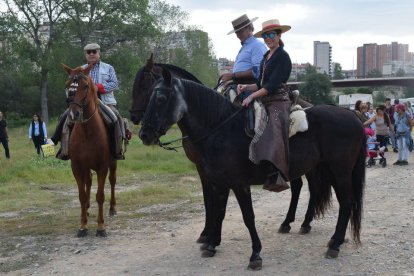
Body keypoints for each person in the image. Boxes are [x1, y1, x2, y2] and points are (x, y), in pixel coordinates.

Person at [237, 19, 292, 192]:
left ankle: (278, 173)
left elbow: (272, 85)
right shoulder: (265, 57)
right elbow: (261, 84)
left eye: (271, 35)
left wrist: (251, 95)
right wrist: (247, 87)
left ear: (279, 35)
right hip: (265, 98)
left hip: (278, 100)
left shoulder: (283, 57)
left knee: (274, 128)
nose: (268, 38)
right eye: (266, 35)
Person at [51, 43, 128, 160]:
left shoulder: (108, 68)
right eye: (88, 52)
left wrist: (98, 88)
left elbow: (114, 83)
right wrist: (72, 98)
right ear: (85, 54)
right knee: (65, 117)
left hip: (104, 102)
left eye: (94, 51)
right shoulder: (79, 70)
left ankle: (116, 150)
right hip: (83, 104)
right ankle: (61, 148)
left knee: (115, 118)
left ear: (99, 53)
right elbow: (71, 86)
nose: (91, 54)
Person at [220, 14, 267, 101]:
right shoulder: (245, 47)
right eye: (236, 32)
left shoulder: (257, 46)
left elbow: (258, 71)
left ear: (249, 28)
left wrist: (233, 76)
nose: (238, 35)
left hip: (250, 87)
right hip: (238, 85)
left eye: (240, 31)